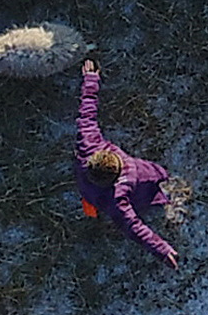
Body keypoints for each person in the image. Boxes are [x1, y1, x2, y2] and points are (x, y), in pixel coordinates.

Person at [73, 60, 178, 266]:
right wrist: (162, 250)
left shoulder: (88, 145)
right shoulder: (119, 200)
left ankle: (91, 210)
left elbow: (87, 114)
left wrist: (91, 80)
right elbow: (134, 226)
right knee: (152, 184)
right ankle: (159, 194)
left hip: (90, 192)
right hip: (141, 188)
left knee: (91, 201)